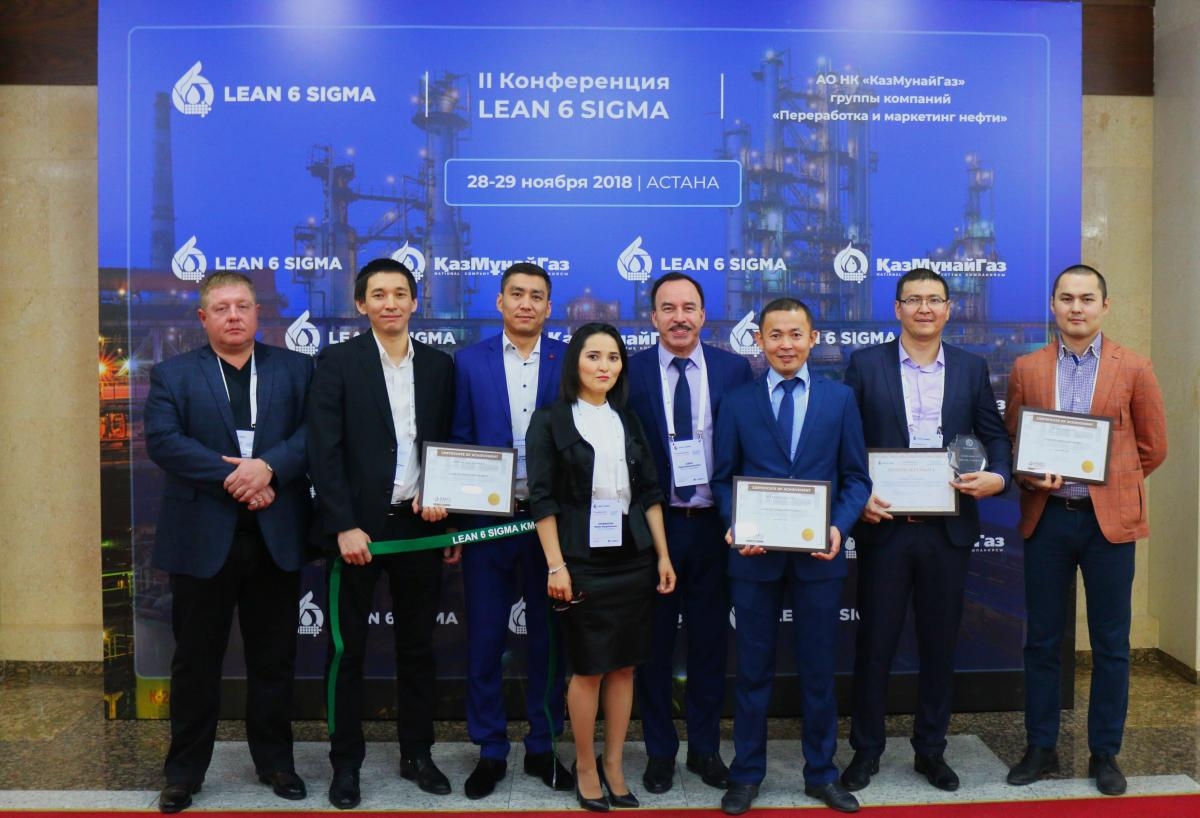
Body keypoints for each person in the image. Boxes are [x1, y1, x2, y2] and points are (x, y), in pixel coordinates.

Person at [144, 271, 313, 814]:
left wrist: (270, 467)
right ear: (203, 317)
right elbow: (164, 442)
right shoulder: (173, 374)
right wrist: (240, 478)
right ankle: (184, 773)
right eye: (221, 308)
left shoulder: (296, 369)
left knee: (274, 659)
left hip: (275, 537)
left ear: (258, 312)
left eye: (243, 305)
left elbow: (314, 434)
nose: (234, 316)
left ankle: (277, 763)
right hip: (202, 539)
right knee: (195, 662)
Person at [841, 269, 1011, 793]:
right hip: (885, 527)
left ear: (948, 308)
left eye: (934, 300)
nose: (924, 308)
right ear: (897, 309)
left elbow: (994, 436)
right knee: (875, 644)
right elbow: (845, 440)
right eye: (913, 299)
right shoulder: (865, 365)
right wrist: (855, 496)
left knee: (940, 644)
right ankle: (866, 750)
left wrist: (998, 476)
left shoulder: (970, 368)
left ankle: (931, 750)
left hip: (947, 530)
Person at [1004, 264, 1167, 796]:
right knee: (1043, 640)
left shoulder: (1134, 367)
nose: (1077, 307)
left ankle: (1105, 752)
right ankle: (1041, 747)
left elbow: (1153, 446)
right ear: (1053, 305)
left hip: (1108, 524)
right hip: (1047, 517)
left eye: (1087, 298)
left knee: (1111, 643)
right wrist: (1031, 473)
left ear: (1104, 306)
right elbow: (1014, 440)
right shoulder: (1027, 367)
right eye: (1067, 298)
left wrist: (1111, 482)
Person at [307, 257, 457, 809]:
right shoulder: (337, 362)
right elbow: (323, 450)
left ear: (415, 302)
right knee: (346, 652)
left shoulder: (440, 366)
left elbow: (448, 441)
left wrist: (444, 504)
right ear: (361, 304)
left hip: (420, 527)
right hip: (357, 533)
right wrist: (343, 524)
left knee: (418, 649)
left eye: (399, 293)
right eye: (378, 294)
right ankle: (345, 764)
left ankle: (417, 754)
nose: (390, 303)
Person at [712, 298, 871, 815]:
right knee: (752, 672)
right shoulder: (737, 402)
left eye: (795, 334)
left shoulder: (840, 399)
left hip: (818, 559)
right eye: (775, 335)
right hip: (753, 558)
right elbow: (722, 479)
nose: (785, 345)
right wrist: (736, 523)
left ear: (813, 338)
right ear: (759, 340)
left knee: (819, 673)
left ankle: (821, 773)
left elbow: (856, 478)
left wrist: (837, 526)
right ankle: (746, 774)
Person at [526, 322, 677, 812]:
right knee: (588, 670)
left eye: (613, 358)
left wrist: (663, 555)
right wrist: (555, 566)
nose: (604, 366)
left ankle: (614, 764)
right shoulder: (550, 420)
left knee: (625, 667)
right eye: (593, 356)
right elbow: (542, 499)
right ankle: (587, 766)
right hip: (580, 561)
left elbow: (649, 493)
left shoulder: (627, 419)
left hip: (633, 559)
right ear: (575, 362)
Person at [449, 262, 573, 799]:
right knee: (484, 639)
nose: (526, 303)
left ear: (549, 307)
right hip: (487, 524)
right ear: (499, 302)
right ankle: (490, 749)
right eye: (516, 294)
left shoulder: (569, 359)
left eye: (536, 296)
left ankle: (543, 745)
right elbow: (458, 439)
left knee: (548, 642)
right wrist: (457, 523)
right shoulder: (468, 361)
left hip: (550, 526)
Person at [627, 273, 752, 794]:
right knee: (652, 647)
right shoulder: (629, 371)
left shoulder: (734, 369)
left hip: (713, 530)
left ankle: (704, 747)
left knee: (708, 644)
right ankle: (659, 752)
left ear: (703, 315)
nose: (679, 317)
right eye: (668, 308)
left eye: (689, 307)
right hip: (651, 532)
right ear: (653, 317)